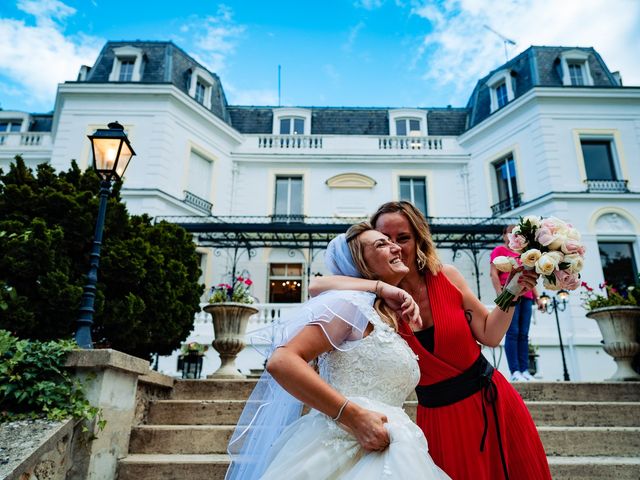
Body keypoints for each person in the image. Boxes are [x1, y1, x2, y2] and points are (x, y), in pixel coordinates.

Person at [310, 201, 552, 480]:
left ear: (419, 239)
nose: (396, 247)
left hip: (493, 403)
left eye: (403, 238)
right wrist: (378, 286)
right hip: (439, 420)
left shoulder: (446, 276)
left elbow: (490, 334)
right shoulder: (374, 304)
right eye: (385, 240)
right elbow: (317, 286)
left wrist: (512, 290)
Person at [225, 222, 450, 480]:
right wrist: (353, 417)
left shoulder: (383, 315)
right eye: (382, 243)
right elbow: (282, 361)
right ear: (359, 264)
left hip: (399, 449)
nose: (396, 247)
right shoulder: (349, 305)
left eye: (393, 242)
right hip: (343, 446)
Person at [490, 225, 542, 381]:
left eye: (517, 233)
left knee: (523, 334)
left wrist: (537, 297)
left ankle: (525, 370)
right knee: (512, 333)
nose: (513, 236)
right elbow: (493, 273)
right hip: (510, 295)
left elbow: (531, 277)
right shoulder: (499, 251)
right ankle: (515, 371)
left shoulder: (526, 254)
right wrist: (500, 293)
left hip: (526, 296)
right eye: (510, 233)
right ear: (504, 235)